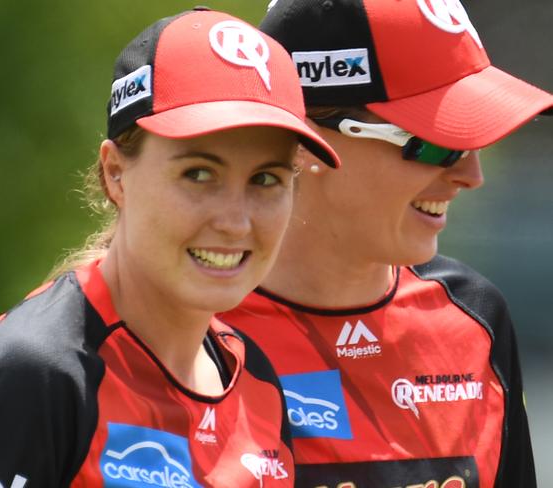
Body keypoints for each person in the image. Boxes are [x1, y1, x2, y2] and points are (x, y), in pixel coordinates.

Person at [0, 8, 341, 488]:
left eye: (265, 179)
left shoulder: (255, 378)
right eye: (198, 174)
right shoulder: (31, 377)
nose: (236, 221)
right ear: (116, 173)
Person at [220, 1, 553, 487]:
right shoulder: (165, 328)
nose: (471, 175)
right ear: (307, 140)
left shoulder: (475, 319)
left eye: (475, 139)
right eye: (437, 142)